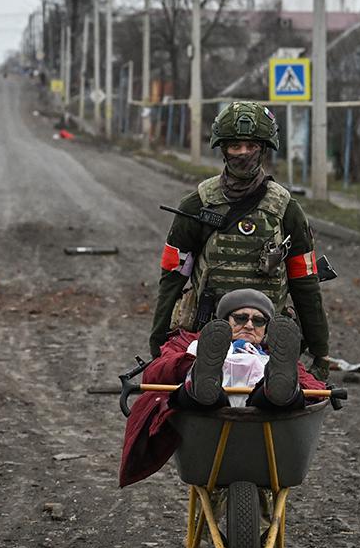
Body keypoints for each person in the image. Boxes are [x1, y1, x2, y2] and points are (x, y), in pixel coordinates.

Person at [150, 101, 330, 382]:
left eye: (251, 145)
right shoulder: (197, 205)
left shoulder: (286, 210)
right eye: (235, 146)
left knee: (282, 383)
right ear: (223, 149)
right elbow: (172, 278)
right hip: (207, 332)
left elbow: (305, 284)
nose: (243, 153)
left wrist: (321, 352)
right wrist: (158, 342)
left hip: (265, 335)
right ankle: (206, 373)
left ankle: (273, 378)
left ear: (264, 148)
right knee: (182, 371)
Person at [120, 289, 326, 487]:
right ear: (224, 321)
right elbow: (154, 373)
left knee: (278, 393)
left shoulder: (274, 354)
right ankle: (203, 378)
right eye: (240, 318)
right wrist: (189, 363)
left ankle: (279, 389)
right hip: (212, 409)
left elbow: (311, 384)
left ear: (266, 330)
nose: (249, 325)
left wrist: (310, 391)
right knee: (204, 393)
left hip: (262, 408)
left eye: (259, 321)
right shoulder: (192, 343)